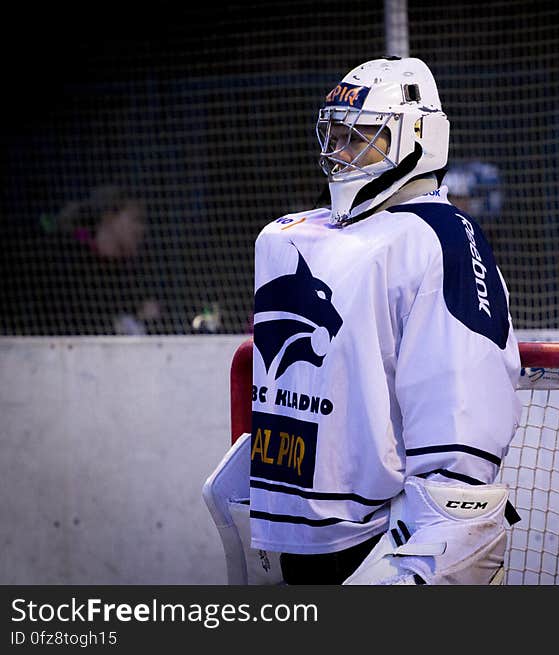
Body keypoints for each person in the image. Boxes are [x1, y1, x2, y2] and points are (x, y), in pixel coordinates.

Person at [207, 57, 522, 585]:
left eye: (362, 136)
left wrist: (447, 513)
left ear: (420, 137)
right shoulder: (295, 233)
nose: (341, 152)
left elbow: (463, 397)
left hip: (378, 535)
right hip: (293, 528)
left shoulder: (437, 234)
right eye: (333, 134)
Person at [37, 185, 185, 335]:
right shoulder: (70, 263)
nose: (142, 229)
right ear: (109, 217)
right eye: (136, 219)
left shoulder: (134, 276)